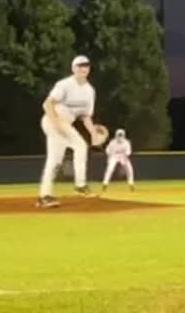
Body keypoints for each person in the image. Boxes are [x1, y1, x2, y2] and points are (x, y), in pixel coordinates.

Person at [38, 55, 98, 208]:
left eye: (86, 65)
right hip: (54, 120)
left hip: (65, 125)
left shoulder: (90, 91)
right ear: (73, 68)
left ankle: (47, 195)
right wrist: (56, 123)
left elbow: (85, 116)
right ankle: (77, 187)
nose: (83, 68)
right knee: (73, 150)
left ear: (89, 68)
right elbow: (47, 104)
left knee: (61, 157)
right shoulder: (65, 84)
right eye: (79, 65)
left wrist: (93, 132)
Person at [101, 128, 135, 192]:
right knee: (110, 169)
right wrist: (109, 156)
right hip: (114, 156)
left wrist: (125, 160)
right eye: (119, 135)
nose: (120, 136)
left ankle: (131, 184)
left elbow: (128, 152)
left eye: (121, 135)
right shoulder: (112, 142)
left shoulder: (126, 142)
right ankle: (105, 184)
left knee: (129, 169)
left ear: (124, 135)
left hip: (123, 156)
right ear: (116, 135)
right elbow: (107, 150)